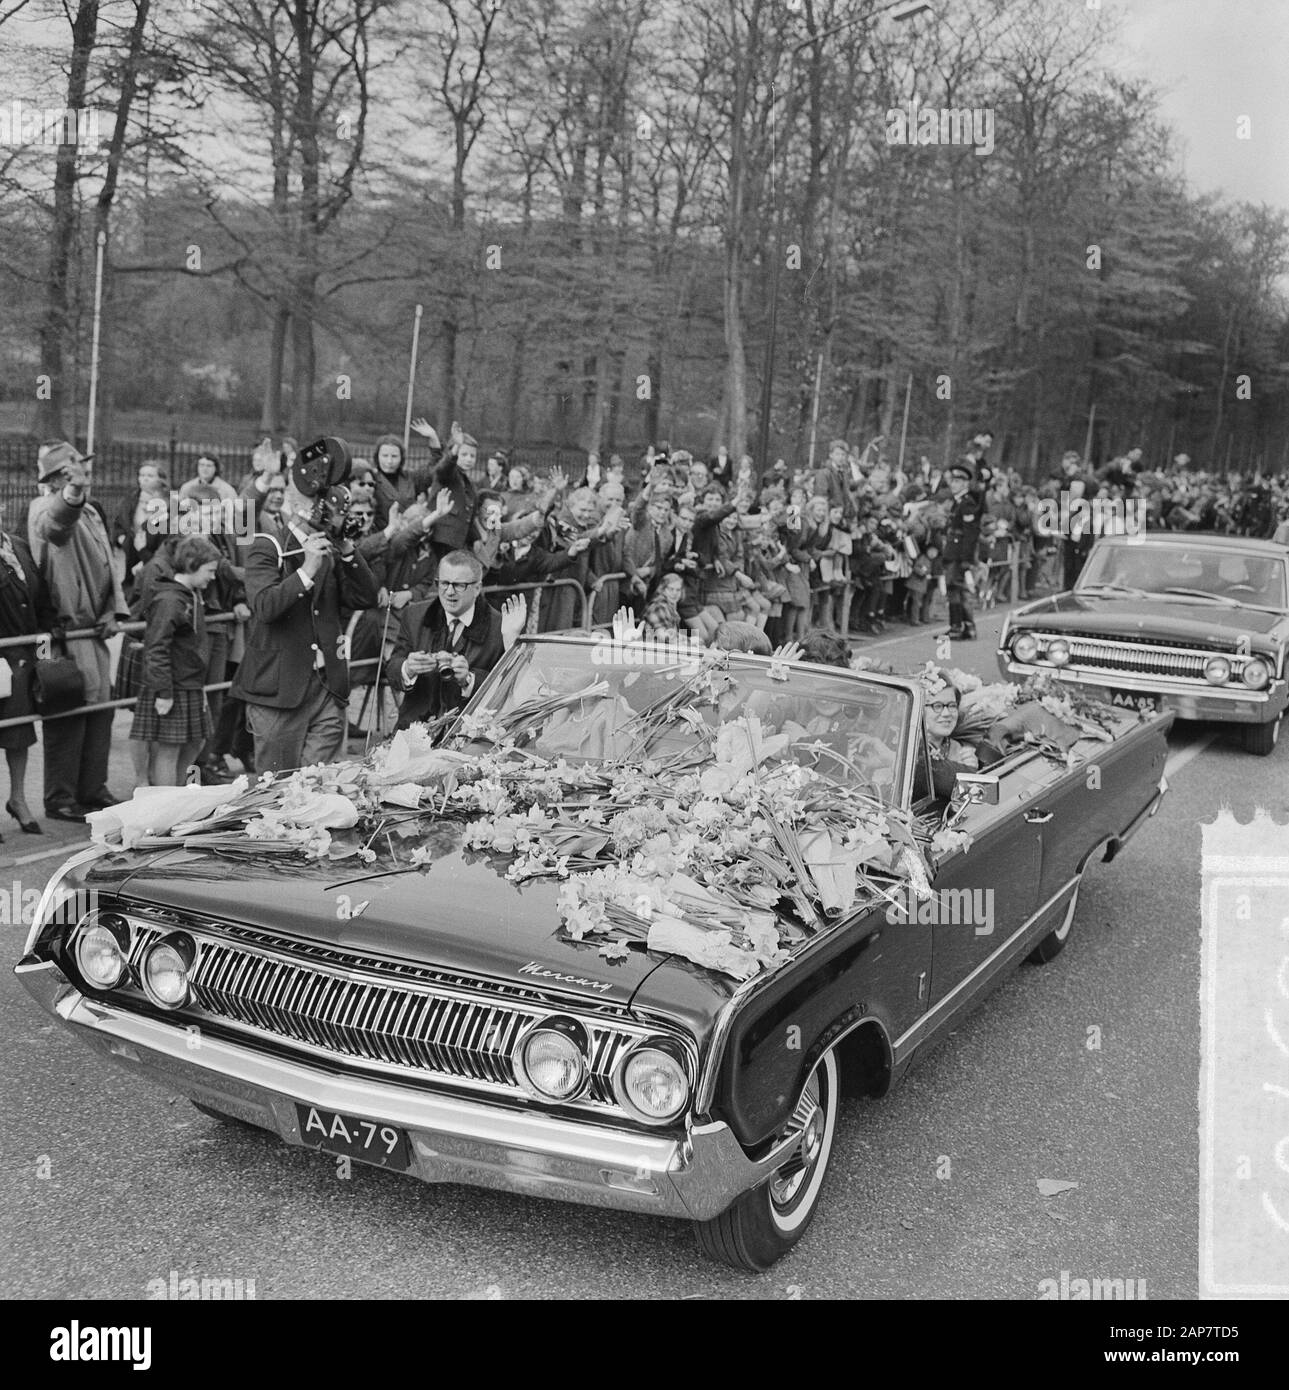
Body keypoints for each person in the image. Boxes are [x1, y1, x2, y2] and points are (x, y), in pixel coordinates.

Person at [231, 461, 380, 772]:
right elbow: (265, 607)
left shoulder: (331, 549)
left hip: (327, 687)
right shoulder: (266, 546)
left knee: (317, 784)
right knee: (277, 787)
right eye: (320, 503)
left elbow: (366, 597)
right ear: (298, 502)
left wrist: (349, 551)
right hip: (278, 690)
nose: (330, 511)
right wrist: (305, 572)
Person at [28, 441, 126, 820]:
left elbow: (105, 562)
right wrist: (72, 494)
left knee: (100, 710)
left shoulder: (89, 510)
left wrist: (112, 610)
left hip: (93, 629)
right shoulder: (46, 508)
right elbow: (56, 525)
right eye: (74, 471)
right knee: (67, 708)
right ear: (58, 479)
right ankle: (61, 797)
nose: (84, 475)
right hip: (63, 634)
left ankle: (91, 787)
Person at [130, 535, 223, 786]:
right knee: (169, 751)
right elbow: (156, 647)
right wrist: (164, 692)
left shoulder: (188, 595)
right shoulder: (170, 600)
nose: (212, 577)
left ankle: (177, 795)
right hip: (173, 684)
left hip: (189, 681)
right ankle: (165, 806)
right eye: (209, 570)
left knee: (196, 742)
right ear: (192, 564)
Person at [392, 551, 518, 728]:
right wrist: (408, 668)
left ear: (477, 588)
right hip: (413, 730)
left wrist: (469, 679)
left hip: (469, 735)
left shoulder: (501, 627)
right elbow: (392, 669)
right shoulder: (414, 615)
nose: (449, 592)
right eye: (443, 583)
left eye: (459, 585)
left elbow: (508, 688)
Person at [0, 519, 54, 835]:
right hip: (0, 654)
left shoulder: (18, 545)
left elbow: (41, 597)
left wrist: (48, 634)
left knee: (18, 734)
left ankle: (18, 799)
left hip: (21, 659)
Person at [941, 459, 984, 640]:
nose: (953, 484)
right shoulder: (959, 502)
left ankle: (956, 627)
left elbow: (970, 534)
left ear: (966, 483)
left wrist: (966, 558)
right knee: (960, 590)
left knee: (954, 589)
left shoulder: (966, 504)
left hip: (958, 553)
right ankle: (967, 627)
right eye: (952, 481)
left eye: (958, 481)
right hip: (954, 550)